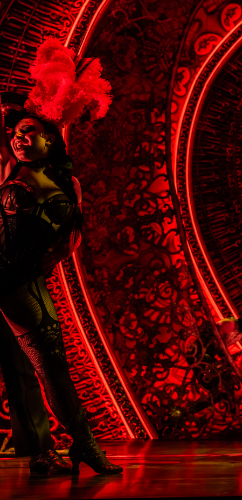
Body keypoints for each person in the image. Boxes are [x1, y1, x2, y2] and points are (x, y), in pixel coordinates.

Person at [0, 39, 120, 474]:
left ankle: (58, 450)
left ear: (51, 142)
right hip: (12, 285)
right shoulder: (15, 184)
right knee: (48, 369)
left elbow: (61, 243)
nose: (19, 138)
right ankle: (80, 445)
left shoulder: (62, 184)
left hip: (25, 284)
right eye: (16, 134)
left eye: (30, 133)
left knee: (42, 370)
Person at [0, 90, 70, 475]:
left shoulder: (26, 172)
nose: (15, 135)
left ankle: (39, 446)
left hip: (12, 276)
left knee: (22, 366)